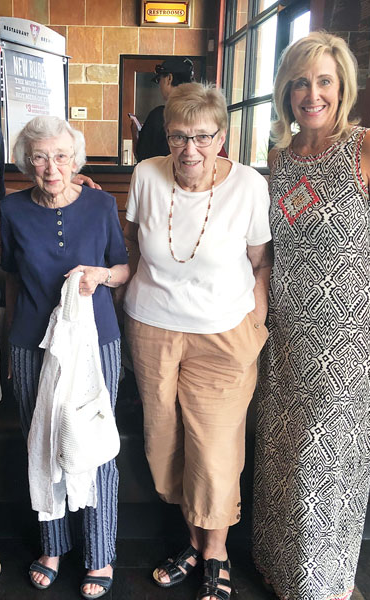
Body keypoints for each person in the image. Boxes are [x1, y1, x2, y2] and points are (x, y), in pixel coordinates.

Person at [252, 32, 370, 600]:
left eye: (322, 81)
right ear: (286, 92)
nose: (310, 94)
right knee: (284, 451)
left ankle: (322, 582)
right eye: (299, 83)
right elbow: (270, 247)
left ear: (341, 87)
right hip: (286, 332)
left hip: (347, 332)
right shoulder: (279, 159)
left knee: (329, 458)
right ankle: (280, 564)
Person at [123, 82, 272, 600]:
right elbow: (131, 245)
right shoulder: (146, 175)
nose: (190, 149)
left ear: (222, 137)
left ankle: (216, 551)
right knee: (165, 443)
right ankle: (191, 541)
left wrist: (255, 322)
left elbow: (260, 262)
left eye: (203, 137)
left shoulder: (249, 186)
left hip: (223, 333)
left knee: (214, 447)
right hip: (152, 329)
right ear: (165, 137)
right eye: (179, 136)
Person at [0, 116, 130, 599]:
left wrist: (102, 276)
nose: (51, 167)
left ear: (76, 160)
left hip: (97, 342)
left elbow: (123, 266)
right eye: (39, 156)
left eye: (60, 156)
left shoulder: (100, 203)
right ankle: (52, 546)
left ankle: (100, 554)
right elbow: (12, 277)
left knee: (96, 444)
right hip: (31, 343)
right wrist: (10, 345)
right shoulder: (12, 210)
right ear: (26, 162)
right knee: (40, 442)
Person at [131, 57, 194, 161]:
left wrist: (135, 136)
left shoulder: (160, 115)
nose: (159, 85)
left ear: (169, 78)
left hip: (163, 175)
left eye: (159, 80)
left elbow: (143, 158)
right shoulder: (202, 114)